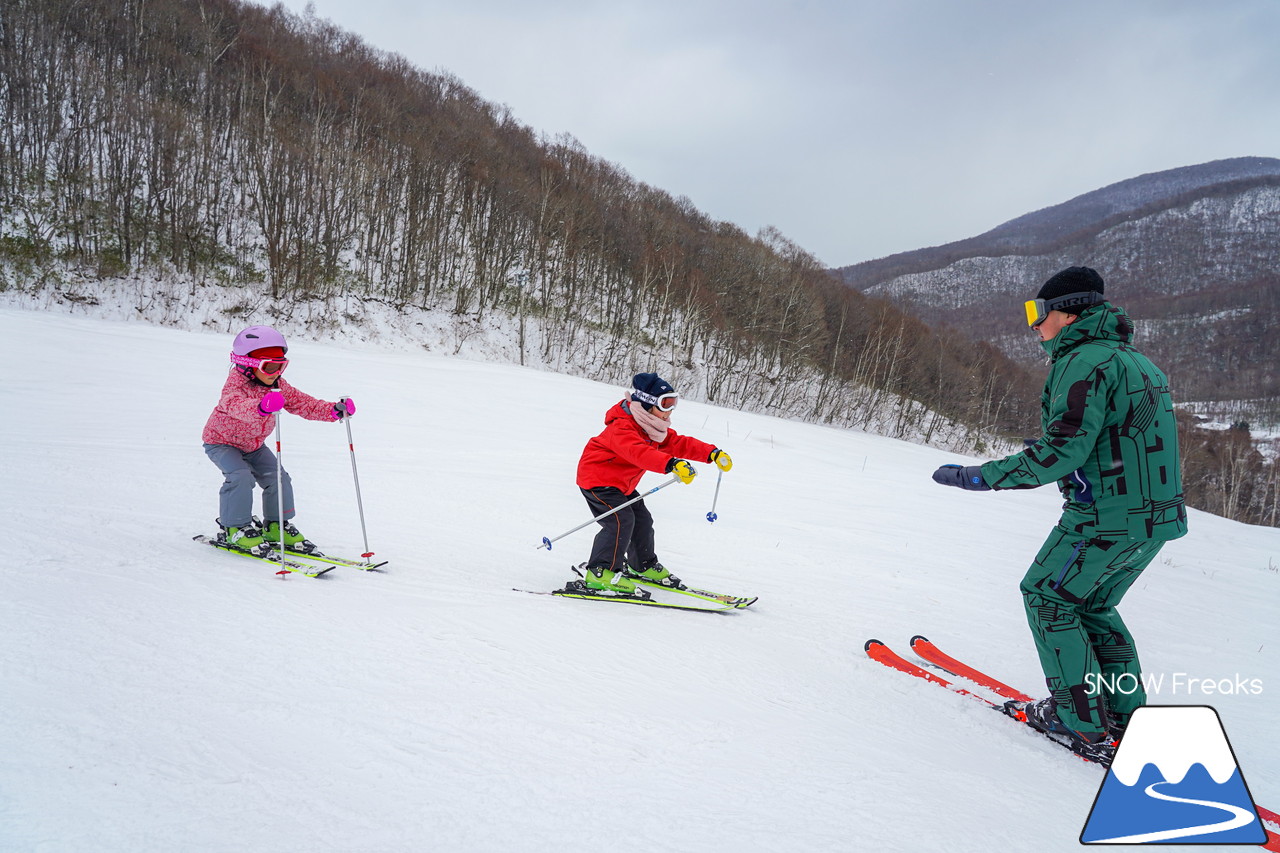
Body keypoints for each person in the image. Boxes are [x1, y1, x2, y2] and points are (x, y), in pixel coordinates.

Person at [931, 266, 1186, 758]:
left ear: (1068, 314)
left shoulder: (1082, 361)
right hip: (1153, 521)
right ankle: (1125, 716)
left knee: (1046, 597)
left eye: (1038, 313)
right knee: (1091, 605)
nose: (1034, 324)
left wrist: (981, 476)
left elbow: (1064, 451)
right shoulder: (1137, 362)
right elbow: (1118, 440)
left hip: (1104, 519)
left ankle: (1081, 723)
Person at [202, 325, 356, 553]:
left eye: (282, 365)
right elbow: (233, 405)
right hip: (221, 442)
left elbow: (304, 403)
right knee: (240, 477)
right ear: (248, 365)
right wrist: (261, 406)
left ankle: (276, 526)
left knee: (279, 478)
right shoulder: (235, 384)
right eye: (270, 366)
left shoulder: (278, 385)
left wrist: (333, 410)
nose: (276, 372)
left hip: (253, 445)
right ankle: (235, 529)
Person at [575, 373, 733, 594]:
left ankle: (642, 565)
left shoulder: (650, 427)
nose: (670, 410)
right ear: (648, 404)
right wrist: (671, 464)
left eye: (673, 403)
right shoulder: (622, 427)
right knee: (620, 521)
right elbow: (638, 452)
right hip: (598, 481)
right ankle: (600, 572)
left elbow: (677, 442)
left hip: (621, 484)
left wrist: (712, 453)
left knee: (642, 520)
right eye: (666, 403)